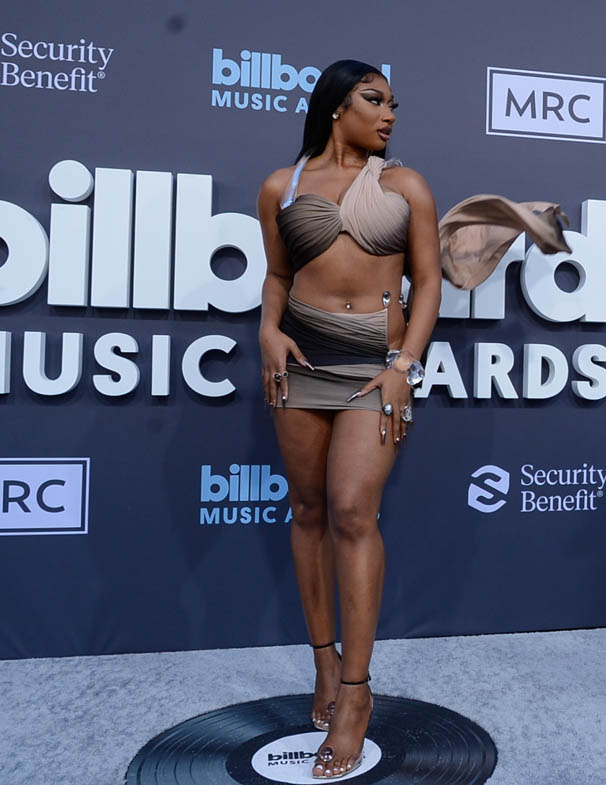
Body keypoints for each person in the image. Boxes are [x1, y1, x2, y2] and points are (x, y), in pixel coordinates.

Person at [256, 60, 441, 779]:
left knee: (352, 511)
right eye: (374, 99)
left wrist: (404, 366)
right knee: (307, 510)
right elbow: (278, 274)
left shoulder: (405, 185)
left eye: (394, 103)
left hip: (377, 367)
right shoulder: (283, 185)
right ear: (337, 106)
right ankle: (325, 667)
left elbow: (428, 281)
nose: (389, 113)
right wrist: (267, 330)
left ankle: (356, 694)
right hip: (300, 361)